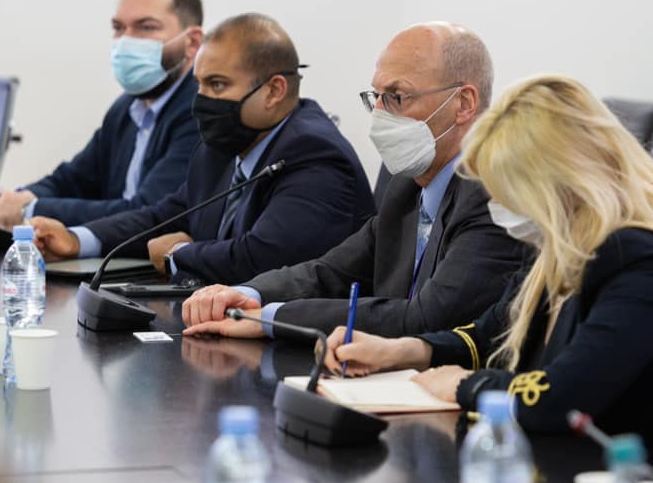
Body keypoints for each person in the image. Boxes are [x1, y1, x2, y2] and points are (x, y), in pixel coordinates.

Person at [320, 75, 653, 483]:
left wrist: (465, 385)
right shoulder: (559, 246)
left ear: (559, 183)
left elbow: (565, 397)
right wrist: (404, 351)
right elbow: (492, 334)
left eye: (507, 190)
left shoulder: (646, 261)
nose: (498, 205)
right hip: (594, 476)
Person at [181, 22, 527, 337]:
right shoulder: (406, 185)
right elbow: (330, 272)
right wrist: (247, 294)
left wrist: (268, 319)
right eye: (376, 97)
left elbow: (427, 318)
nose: (379, 114)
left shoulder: (494, 194)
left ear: (463, 103)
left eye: (397, 97)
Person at [32, 13, 375, 287]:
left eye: (218, 85)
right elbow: (163, 217)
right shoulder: (226, 146)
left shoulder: (315, 155)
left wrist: (179, 254)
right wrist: (77, 240)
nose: (202, 101)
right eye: (200, 84)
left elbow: (260, 259)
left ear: (274, 91)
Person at [0, 0, 203, 227]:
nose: (126, 40)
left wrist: (29, 209)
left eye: (146, 27)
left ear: (192, 42)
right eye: (118, 28)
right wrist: (14, 198)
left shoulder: (199, 113)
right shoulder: (127, 107)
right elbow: (73, 180)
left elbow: (148, 212)